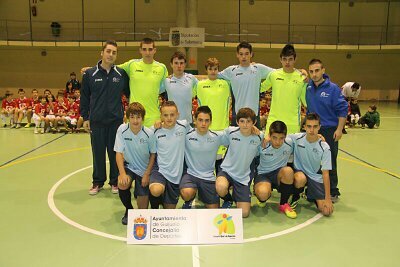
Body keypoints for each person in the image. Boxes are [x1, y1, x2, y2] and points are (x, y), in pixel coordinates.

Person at [80, 40, 130, 195]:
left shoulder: (121, 74)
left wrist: (128, 114)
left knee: (115, 153)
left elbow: (129, 94)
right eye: (108, 51)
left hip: (115, 121)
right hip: (97, 121)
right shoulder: (89, 74)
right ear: (102, 53)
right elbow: (84, 97)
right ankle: (97, 182)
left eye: (114, 52)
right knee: (98, 153)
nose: (111, 55)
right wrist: (85, 117)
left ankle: (115, 182)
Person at [306, 58, 348, 202]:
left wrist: (340, 129)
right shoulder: (308, 87)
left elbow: (343, 109)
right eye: (311, 71)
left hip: (330, 130)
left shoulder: (334, 89)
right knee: (313, 160)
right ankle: (315, 188)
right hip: (313, 130)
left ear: (323, 70)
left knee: (330, 161)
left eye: (317, 70)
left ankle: (333, 190)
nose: (314, 74)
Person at [216, 107, 263, 218]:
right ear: (237, 122)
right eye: (242, 121)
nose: (245, 125)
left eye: (248, 122)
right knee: (220, 187)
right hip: (227, 171)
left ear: (254, 122)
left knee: (244, 213)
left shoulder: (259, 136)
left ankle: (240, 194)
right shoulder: (230, 132)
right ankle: (228, 199)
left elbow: (267, 140)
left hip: (243, 176)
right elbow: (214, 137)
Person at [114, 102, 156, 225]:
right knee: (122, 183)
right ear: (127, 118)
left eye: (138, 117)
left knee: (142, 209)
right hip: (130, 167)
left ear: (143, 118)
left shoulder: (149, 133)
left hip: (144, 170)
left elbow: (153, 154)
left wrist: (147, 174)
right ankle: (128, 209)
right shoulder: (122, 130)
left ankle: (140, 206)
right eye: (132, 117)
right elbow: (118, 153)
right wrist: (122, 173)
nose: (135, 120)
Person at [180, 106, 228, 209]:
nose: (203, 124)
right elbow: (171, 127)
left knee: (213, 211)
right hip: (190, 174)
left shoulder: (217, 137)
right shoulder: (186, 134)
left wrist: (253, 129)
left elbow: (237, 134)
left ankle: (202, 194)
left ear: (210, 121)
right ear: (195, 120)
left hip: (208, 177)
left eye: (207, 120)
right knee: (186, 193)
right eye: (200, 120)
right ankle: (189, 199)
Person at [218, 41, 274, 126]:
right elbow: (214, 74)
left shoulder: (258, 69)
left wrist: (299, 71)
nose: (244, 57)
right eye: (241, 54)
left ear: (251, 54)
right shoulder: (231, 70)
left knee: (255, 139)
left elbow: (280, 72)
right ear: (237, 55)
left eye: (247, 54)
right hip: (237, 114)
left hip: (254, 115)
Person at [118, 38, 168, 127]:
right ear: (140, 50)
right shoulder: (131, 65)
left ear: (154, 50)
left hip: (153, 117)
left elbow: (163, 89)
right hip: (134, 116)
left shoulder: (162, 68)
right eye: (144, 49)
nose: (147, 53)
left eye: (150, 49)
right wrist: (91, 69)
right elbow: (112, 68)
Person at [291, 113, 334, 217]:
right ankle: (296, 194)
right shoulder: (296, 138)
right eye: (309, 126)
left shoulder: (324, 147)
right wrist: (268, 136)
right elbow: (280, 135)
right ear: (304, 127)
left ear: (319, 127)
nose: (312, 130)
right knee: (300, 179)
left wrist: (328, 199)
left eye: (315, 126)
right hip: (300, 173)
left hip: (315, 176)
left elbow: (325, 174)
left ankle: (309, 193)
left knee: (327, 211)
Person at [149, 101, 188, 209]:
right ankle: (154, 208)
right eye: (165, 115)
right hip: (160, 170)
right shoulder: (154, 130)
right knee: (155, 190)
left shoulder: (184, 126)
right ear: (161, 116)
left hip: (176, 174)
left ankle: (163, 198)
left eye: (172, 115)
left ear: (178, 115)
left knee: (169, 210)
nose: (169, 118)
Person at [261, 44, 307, 134]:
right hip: (273, 121)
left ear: (295, 59)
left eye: (290, 59)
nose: (287, 62)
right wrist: (252, 70)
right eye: (284, 59)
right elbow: (259, 88)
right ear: (280, 60)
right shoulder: (273, 75)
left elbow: (306, 101)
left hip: (292, 124)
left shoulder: (301, 77)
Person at [194, 57, 231, 171]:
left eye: (215, 69)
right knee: (207, 162)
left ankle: (221, 186)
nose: (213, 71)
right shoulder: (200, 85)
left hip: (222, 128)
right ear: (206, 70)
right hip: (205, 129)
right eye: (210, 69)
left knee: (221, 163)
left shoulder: (226, 84)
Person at [255, 120, 297, 218]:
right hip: (263, 175)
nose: (278, 142)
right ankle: (262, 197)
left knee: (288, 171)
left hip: (279, 174)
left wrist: (319, 137)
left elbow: (305, 136)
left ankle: (283, 204)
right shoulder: (262, 144)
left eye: (281, 138)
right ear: (269, 135)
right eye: (274, 138)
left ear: (286, 136)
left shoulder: (290, 143)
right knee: (263, 194)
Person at [161, 51, 198, 123]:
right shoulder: (166, 81)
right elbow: (155, 92)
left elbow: (201, 89)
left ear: (185, 64)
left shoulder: (191, 78)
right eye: (176, 63)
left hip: (188, 122)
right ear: (171, 64)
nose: (179, 66)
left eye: (181, 63)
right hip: (172, 122)